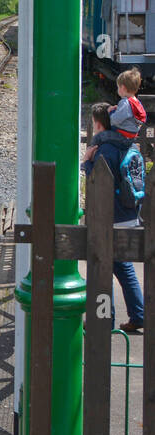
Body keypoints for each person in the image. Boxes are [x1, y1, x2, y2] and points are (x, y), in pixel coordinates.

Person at [82, 102, 145, 333]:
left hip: (111, 218)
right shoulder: (128, 146)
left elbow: (99, 181)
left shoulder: (105, 150)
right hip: (129, 215)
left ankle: (104, 320)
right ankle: (138, 314)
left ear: (98, 124)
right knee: (123, 267)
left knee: (103, 266)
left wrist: (87, 162)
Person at [109, 67, 147, 139]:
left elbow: (115, 120)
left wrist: (109, 113)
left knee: (101, 137)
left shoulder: (125, 102)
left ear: (123, 88)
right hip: (133, 133)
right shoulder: (135, 101)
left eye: (118, 87)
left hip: (123, 134)